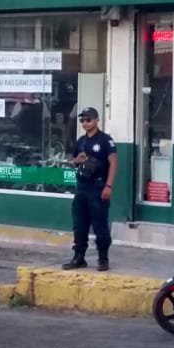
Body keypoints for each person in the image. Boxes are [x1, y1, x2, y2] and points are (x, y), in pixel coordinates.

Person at [64, 107, 117, 271]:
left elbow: (113, 164)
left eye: (88, 120)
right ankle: (79, 256)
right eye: (82, 120)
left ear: (96, 120)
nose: (85, 123)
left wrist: (108, 186)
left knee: (100, 223)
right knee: (79, 223)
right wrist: (76, 161)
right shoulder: (81, 141)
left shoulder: (105, 140)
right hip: (82, 187)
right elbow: (73, 162)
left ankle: (103, 258)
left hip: (98, 186)